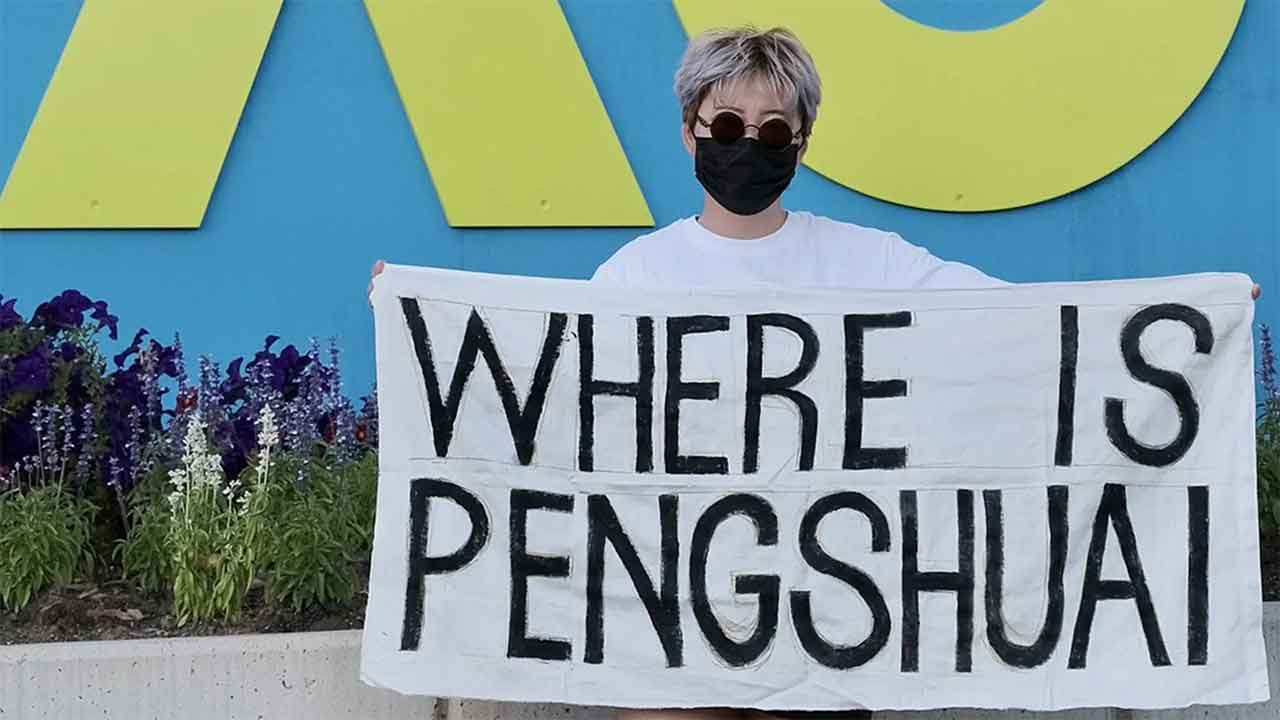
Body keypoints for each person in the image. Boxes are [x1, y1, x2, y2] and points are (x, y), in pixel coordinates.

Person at [366, 25, 1259, 720]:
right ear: (689, 132)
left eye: (771, 131)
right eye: (726, 127)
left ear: (800, 142)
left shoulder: (870, 263)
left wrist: (1182, 321)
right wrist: (422, 318)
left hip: (828, 614)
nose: (746, 145)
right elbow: (560, 400)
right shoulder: (636, 276)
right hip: (670, 612)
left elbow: (1015, 329)